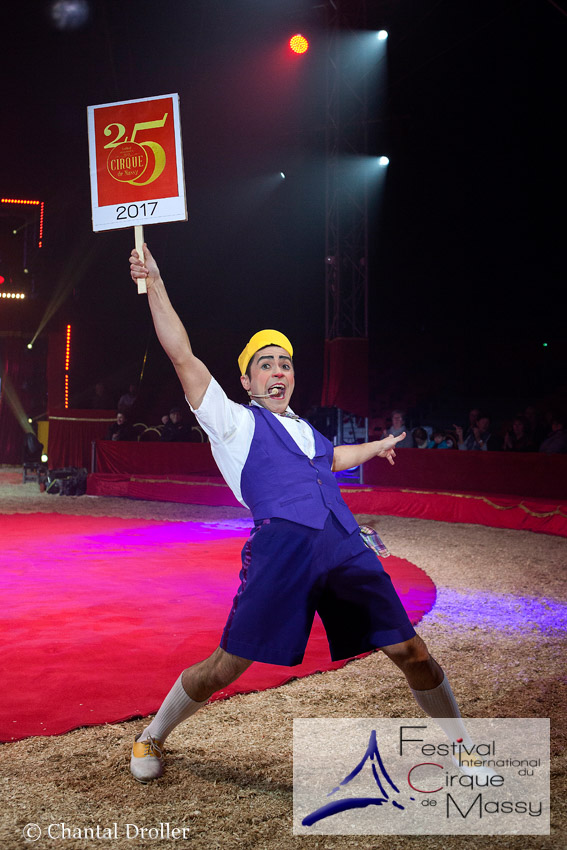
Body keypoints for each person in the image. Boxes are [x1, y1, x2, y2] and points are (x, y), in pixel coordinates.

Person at [127, 244, 475, 784]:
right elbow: (181, 354)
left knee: (412, 650)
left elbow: (332, 459)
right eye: (264, 364)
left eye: (285, 364)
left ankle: (462, 746)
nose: (277, 371)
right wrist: (156, 283)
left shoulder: (308, 430)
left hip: (343, 545)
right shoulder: (232, 422)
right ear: (246, 381)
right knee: (227, 665)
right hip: (281, 554)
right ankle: (152, 734)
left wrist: (376, 445)